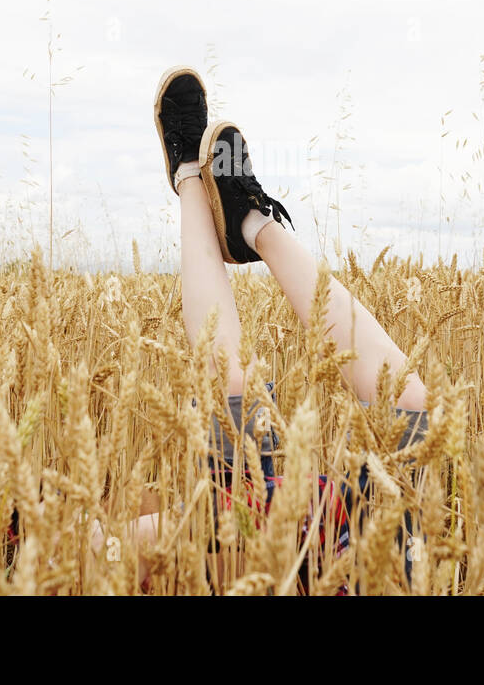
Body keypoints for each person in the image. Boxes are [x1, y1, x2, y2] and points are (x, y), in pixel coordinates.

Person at [84, 66, 430, 593]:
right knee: (410, 403)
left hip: (296, 567)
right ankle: (253, 223)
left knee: (232, 393)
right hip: (367, 565)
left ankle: (188, 182)